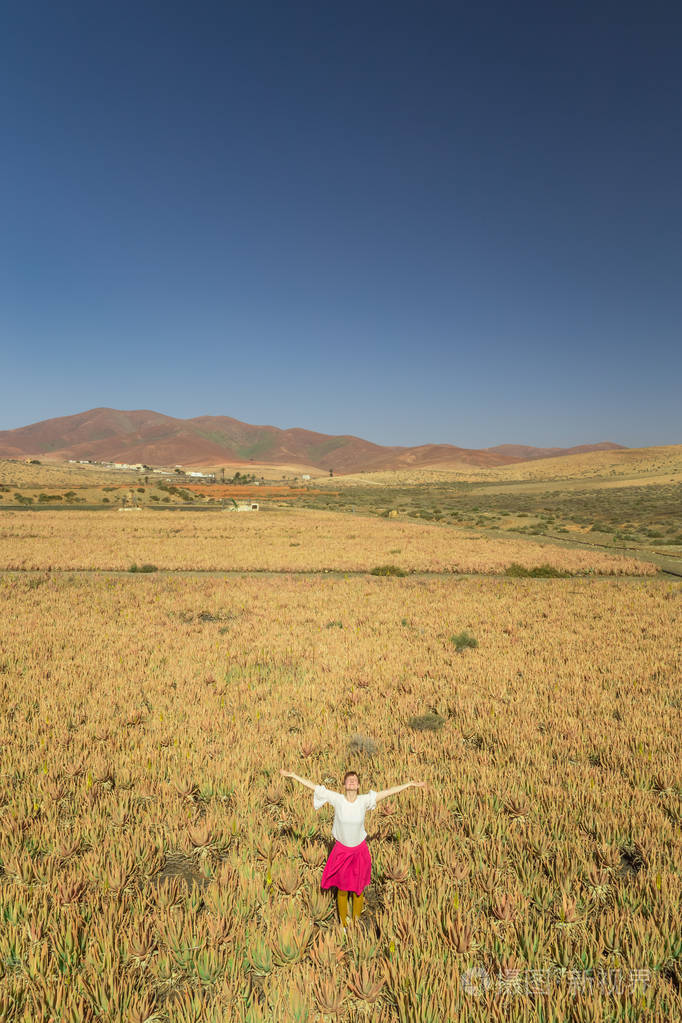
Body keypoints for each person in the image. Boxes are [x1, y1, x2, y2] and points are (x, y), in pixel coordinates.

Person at [280, 768, 426, 926]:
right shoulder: (337, 799)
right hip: (341, 851)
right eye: (349, 779)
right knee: (342, 890)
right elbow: (314, 787)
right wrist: (294, 775)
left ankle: (355, 921)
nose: (352, 781)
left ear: (358, 785)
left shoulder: (364, 800)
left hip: (359, 852)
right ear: (344, 784)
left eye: (355, 780)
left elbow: (389, 792)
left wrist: (410, 784)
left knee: (358, 890)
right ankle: (343, 923)